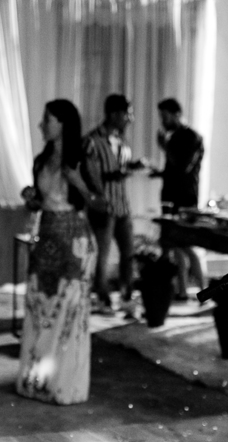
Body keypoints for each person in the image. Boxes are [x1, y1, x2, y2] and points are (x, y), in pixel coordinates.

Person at [17, 99, 98, 404]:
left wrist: (79, 182)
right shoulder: (41, 160)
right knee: (40, 307)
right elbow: (40, 201)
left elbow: (102, 203)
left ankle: (64, 385)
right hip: (47, 235)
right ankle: (37, 381)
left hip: (75, 242)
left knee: (68, 313)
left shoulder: (82, 157)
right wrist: (31, 198)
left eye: (47, 119)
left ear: (63, 123)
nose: (42, 124)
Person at [83, 93, 144, 316]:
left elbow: (121, 168)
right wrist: (114, 176)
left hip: (122, 207)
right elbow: (89, 175)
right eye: (127, 113)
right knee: (102, 254)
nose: (130, 118)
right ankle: (102, 298)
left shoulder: (121, 140)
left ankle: (127, 297)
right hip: (103, 207)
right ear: (113, 114)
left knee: (129, 254)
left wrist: (133, 166)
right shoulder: (92, 141)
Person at [154, 97, 205, 299]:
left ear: (177, 114)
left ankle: (204, 289)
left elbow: (184, 167)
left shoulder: (192, 137)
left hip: (186, 199)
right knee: (173, 245)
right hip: (170, 197)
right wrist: (158, 173)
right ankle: (182, 291)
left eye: (165, 116)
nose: (162, 121)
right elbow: (173, 170)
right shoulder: (174, 137)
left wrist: (165, 147)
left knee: (186, 244)